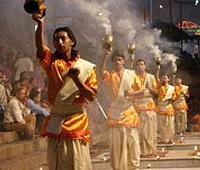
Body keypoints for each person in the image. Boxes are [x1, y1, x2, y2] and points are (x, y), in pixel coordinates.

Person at [32, 11, 97, 170]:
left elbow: (91, 96)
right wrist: (40, 25)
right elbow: (40, 48)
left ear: (72, 41)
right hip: (56, 117)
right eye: (56, 39)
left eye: (63, 38)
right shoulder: (52, 62)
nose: (59, 42)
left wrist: (77, 80)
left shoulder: (86, 67)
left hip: (76, 117)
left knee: (76, 159)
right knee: (57, 159)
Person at [99, 49, 141, 170]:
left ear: (123, 61)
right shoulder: (110, 76)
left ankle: (133, 166)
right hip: (115, 113)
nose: (117, 62)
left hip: (129, 112)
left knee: (132, 142)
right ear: (112, 62)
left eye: (120, 60)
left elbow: (142, 90)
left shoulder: (131, 74)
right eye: (115, 60)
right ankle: (118, 167)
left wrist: (133, 93)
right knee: (116, 144)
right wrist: (104, 58)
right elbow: (101, 73)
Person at [129, 59, 158, 157]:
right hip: (137, 105)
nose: (140, 66)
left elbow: (156, 92)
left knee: (149, 130)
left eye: (142, 64)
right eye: (138, 65)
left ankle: (150, 150)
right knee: (139, 131)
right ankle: (140, 151)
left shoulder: (151, 77)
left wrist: (150, 89)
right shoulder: (133, 77)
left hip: (149, 105)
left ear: (145, 66)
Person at [156, 74, 175, 144]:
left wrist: (171, 99)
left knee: (169, 124)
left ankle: (170, 139)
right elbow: (156, 78)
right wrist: (158, 68)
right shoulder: (159, 87)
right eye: (163, 78)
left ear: (168, 79)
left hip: (168, 107)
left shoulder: (172, 88)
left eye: (165, 78)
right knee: (162, 124)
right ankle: (163, 139)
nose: (164, 80)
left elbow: (174, 97)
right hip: (161, 107)